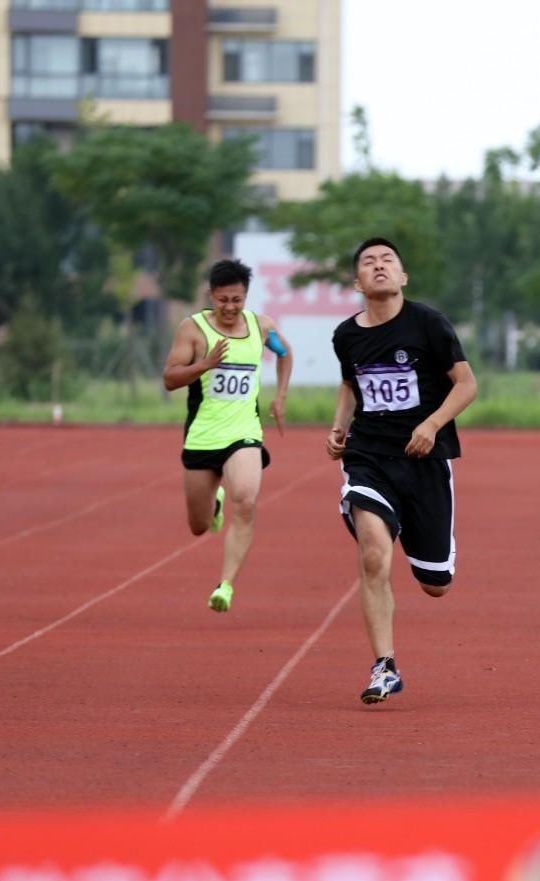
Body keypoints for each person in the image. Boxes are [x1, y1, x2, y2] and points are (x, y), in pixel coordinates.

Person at [326, 237, 478, 705]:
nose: (378, 267)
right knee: (374, 554)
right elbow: (351, 385)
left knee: (436, 585)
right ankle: (384, 666)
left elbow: (467, 385)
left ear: (403, 276)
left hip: (425, 461)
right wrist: (339, 427)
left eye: (387, 260)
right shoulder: (346, 335)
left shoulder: (428, 323)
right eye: (368, 263)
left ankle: (432, 550)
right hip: (369, 457)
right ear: (357, 281)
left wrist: (432, 424)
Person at [162, 258, 293, 613]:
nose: (231, 307)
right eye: (223, 300)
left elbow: (285, 353)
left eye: (237, 299)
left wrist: (280, 395)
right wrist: (203, 365)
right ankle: (213, 501)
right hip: (203, 435)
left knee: (247, 500)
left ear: (246, 296)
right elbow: (170, 378)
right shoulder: (193, 330)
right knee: (198, 526)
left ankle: (226, 585)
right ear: (211, 295)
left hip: (244, 432)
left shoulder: (261, 327)